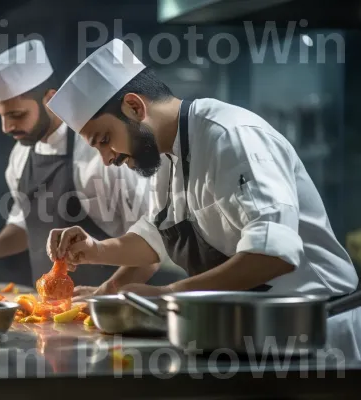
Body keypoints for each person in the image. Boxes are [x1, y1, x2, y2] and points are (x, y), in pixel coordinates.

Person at [45, 39, 360, 358]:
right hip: (252, 333)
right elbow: (155, 239)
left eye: (104, 140)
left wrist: (169, 295)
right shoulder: (167, 154)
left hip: (319, 334)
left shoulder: (230, 137)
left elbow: (273, 253)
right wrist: (95, 251)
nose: (106, 158)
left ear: (135, 107)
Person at [0, 39, 187, 291]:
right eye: (1, 116)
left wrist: (104, 296)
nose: (7, 128)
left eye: (17, 115)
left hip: (106, 306)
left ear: (49, 99)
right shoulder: (21, 154)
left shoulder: (109, 154)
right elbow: (24, 223)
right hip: (48, 309)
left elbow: (151, 244)